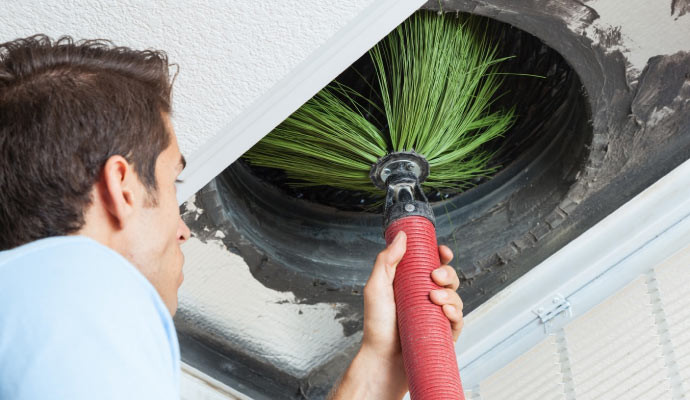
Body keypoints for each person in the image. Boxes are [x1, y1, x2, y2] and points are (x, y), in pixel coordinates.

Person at [0, 35, 464, 400]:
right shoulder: (85, 296)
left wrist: (379, 366)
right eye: (170, 186)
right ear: (122, 187)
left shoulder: (34, 322)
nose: (183, 229)